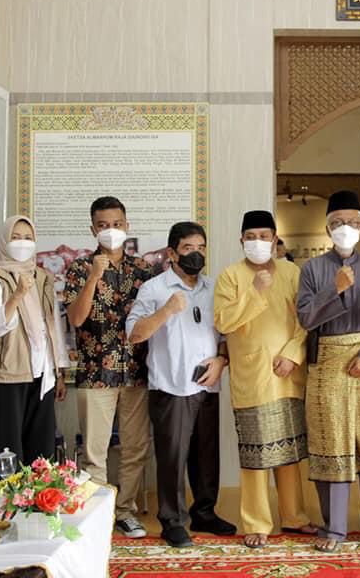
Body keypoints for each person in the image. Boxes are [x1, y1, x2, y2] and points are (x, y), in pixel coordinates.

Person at [296, 191, 360, 552]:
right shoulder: (311, 270)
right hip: (327, 364)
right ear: (327, 228)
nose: (345, 228)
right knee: (331, 443)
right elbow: (306, 318)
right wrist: (334, 290)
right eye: (337, 222)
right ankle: (334, 528)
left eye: (353, 222)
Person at [127, 222, 236, 548]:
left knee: (206, 456)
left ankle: (204, 512)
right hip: (171, 387)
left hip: (207, 384)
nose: (196, 254)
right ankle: (172, 521)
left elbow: (226, 333)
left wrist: (221, 360)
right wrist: (167, 310)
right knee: (173, 458)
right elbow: (134, 335)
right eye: (188, 248)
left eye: (201, 248)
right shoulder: (154, 289)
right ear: (172, 253)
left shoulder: (214, 287)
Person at [213, 210, 315, 549]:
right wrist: (255, 291)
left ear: (275, 240)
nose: (257, 242)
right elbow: (223, 321)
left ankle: (294, 516)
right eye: (251, 237)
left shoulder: (292, 272)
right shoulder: (230, 276)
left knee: (288, 450)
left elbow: (305, 320)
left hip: (288, 373)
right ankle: (256, 523)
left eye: (264, 236)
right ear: (241, 240)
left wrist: (293, 353)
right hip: (252, 376)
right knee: (256, 454)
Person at [64, 196, 153, 539]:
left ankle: (126, 511)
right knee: (94, 451)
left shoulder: (143, 269)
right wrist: (94, 277)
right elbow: (76, 319)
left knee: (135, 448)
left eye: (116, 224)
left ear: (127, 226)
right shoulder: (79, 268)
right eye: (103, 225)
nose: (111, 231)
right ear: (93, 230)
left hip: (137, 372)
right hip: (95, 373)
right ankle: (98, 516)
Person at [0, 215, 70, 465]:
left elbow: (53, 325)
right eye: (16, 237)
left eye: (28, 238)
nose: (23, 243)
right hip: (8, 374)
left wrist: (59, 371)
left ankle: (38, 491)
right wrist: (18, 294)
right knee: (8, 452)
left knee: (42, 451)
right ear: (3, 241)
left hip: (42, 373)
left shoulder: (42, 277)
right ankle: (9, 493)